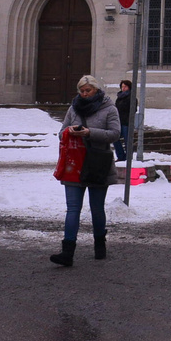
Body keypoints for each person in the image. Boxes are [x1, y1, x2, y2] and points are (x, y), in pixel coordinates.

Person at [50, 75, 120, 267]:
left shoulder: (109, 109)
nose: (84, 94)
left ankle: (99, 244)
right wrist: (69, 131)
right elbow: (60, 132)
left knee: (96, 208)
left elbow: (115, 134)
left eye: (88, 90)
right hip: (74, 163)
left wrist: (90, 133)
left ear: (96, 90)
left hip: (97, 163)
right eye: (81, 90)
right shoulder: (73, 108)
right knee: (73, 208)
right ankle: (67, 252)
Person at [113, 79, 132, 162]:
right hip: (118, 121)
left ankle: (128, 158)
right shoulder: (119, 97)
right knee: (115, 138)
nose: (123, 88)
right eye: (122, 86)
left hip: (126, 122)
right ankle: (120, 156)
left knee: (127, 140)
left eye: (125, 86)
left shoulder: (131, 97)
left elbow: (132, 110)